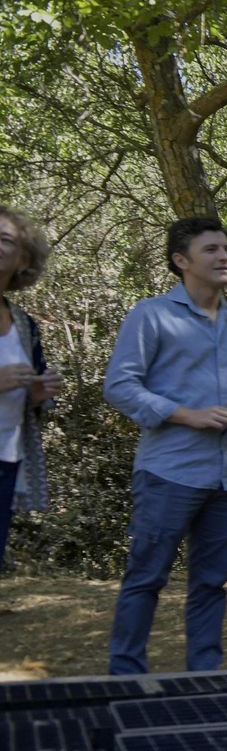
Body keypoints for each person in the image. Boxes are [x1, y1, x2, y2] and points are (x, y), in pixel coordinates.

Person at [103, 217, 227, 674]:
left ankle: (204, 679)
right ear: (181, 260)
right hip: (168, 472)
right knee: (146, 578)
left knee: (212, 584)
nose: (224, 257)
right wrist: (185, 414)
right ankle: (126, 679)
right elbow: (119, 386)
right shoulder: (150, 315)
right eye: (211, 249)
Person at [0, 206, 61, 573]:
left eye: (5, 239)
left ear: (23, 259)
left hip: (7, 458)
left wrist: (39, 395)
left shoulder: (24, 324)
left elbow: (31, 396)